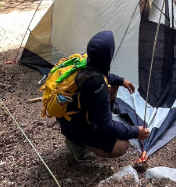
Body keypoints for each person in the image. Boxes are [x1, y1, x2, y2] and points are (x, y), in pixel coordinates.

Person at [57, 31, 150, 161]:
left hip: (71, 116)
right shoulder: (97, 86)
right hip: (74, 128)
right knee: (122, 145)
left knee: (114, 85)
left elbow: (100, 74)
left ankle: (102, 118)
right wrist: (135, 132)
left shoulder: (83, 61)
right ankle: (77, 144)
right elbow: (105, 126)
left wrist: (121, 80)